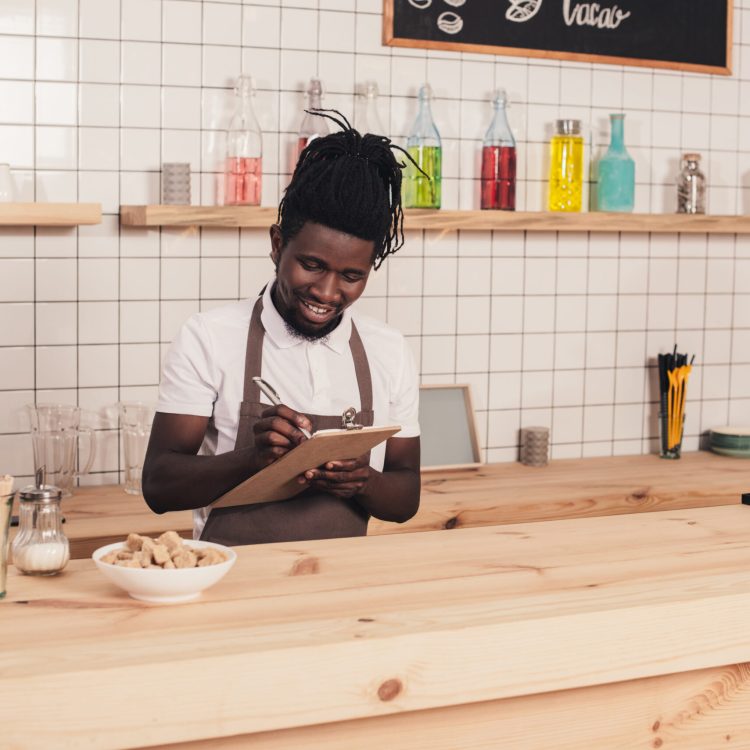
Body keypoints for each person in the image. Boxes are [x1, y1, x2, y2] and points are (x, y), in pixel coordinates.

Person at [142, 111, 421, 545]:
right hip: (234, 583)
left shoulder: (388, 350)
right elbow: (159, 486)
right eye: (311, 265)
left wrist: (363, 482)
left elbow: (405, 498)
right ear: (277, 245)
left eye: (351, 276)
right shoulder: (209, 337)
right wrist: (252, 459)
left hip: (345, 584)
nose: (327, 293)